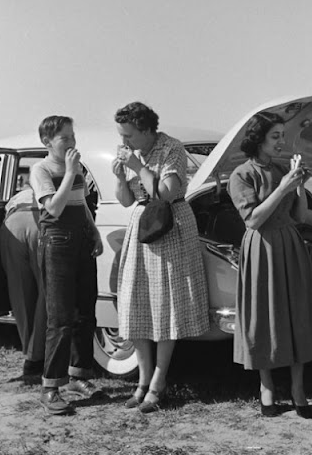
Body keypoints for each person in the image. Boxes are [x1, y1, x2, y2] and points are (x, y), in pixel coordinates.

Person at [228, 112, 312, 418]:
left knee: (296, 313)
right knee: (264, 316)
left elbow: (299, 217)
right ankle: (267, 386)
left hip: (289, 244)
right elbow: (254, 219)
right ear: (258, 140)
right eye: (275, 136)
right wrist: (284, 187)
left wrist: (299, 187)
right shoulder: (242, 175)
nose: (281, 142)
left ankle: (298, 388)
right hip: (262, 247)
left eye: (282, 136)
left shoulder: (282, 169)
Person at [112, 102, 209, 414]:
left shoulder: (171, 148)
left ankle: (158, 381)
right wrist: (119, 176)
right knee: (135, 303)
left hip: (170, 225)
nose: (125, 142)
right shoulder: (132, 152)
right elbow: (128, 200)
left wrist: (139, 168)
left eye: (129, 135)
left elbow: (166, 192)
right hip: (142, 227)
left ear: (146, 130)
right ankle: (142, 381)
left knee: (166, 305)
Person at [30, 115, 104, 415]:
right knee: (59, 317)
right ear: (48, 142)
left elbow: (81, 204)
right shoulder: (42, 169)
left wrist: (95, 232)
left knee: (85, 312)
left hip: (81, 239)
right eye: (64, 138)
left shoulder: (77, 169)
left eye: (73, 136)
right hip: (57, 240)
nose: (72, 142)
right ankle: (50, 387)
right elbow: (54, 207)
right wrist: (71, 170)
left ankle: (78, 375)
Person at [0, 172, 46, 383]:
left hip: (13, 222)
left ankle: (30, 357)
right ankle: (40, 354)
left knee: (20, 294)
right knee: (46, 291)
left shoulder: (16, 197)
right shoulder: (46, 187)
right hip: (40, 222)